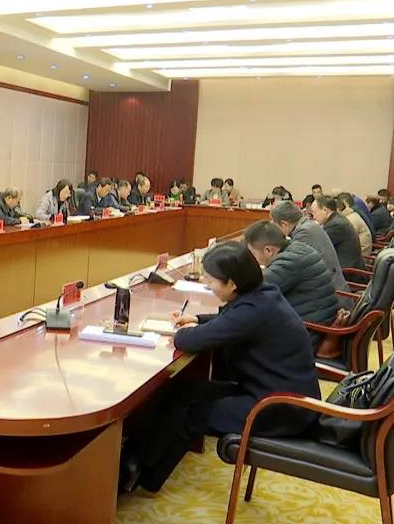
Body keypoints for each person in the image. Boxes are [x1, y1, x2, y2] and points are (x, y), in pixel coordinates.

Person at [120, 242, 320, 492]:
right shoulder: (263, 295)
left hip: (279, 408)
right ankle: (135, 465)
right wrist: (198, 319)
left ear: (232, 284)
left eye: (211, 280)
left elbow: (188, 341)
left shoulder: (253, 310)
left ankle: (145, 475)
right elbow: (232, 319)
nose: (207, 284)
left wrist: (186, 330)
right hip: (270, 391)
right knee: (184, 392)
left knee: (193, 413)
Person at [243, 221, 340, 328]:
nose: (251, 260)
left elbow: (255, 294)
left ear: (268, 250)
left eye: (252, 254)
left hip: (310, 328)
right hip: (321, 316)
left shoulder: (288, 261)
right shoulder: (297, 247)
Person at [270, 201, 348, 293]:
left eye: (274, 223)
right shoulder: (308, 225)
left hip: (331, 293)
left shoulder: (303, 233)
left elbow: (292, 267)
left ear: (284, 224)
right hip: (330, 286)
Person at [310, 195, 364, 271]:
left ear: (325, 210)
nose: (314, 217)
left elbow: (317, 247)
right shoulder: (337, 218)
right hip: (345, 266)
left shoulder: (335, 225)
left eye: (315, 213)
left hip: (346, 272)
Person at [336, 192, 371, 257]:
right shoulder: (351, 213)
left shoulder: (350, 219)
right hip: (361, 251)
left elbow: (345, 239)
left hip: (361, 255)